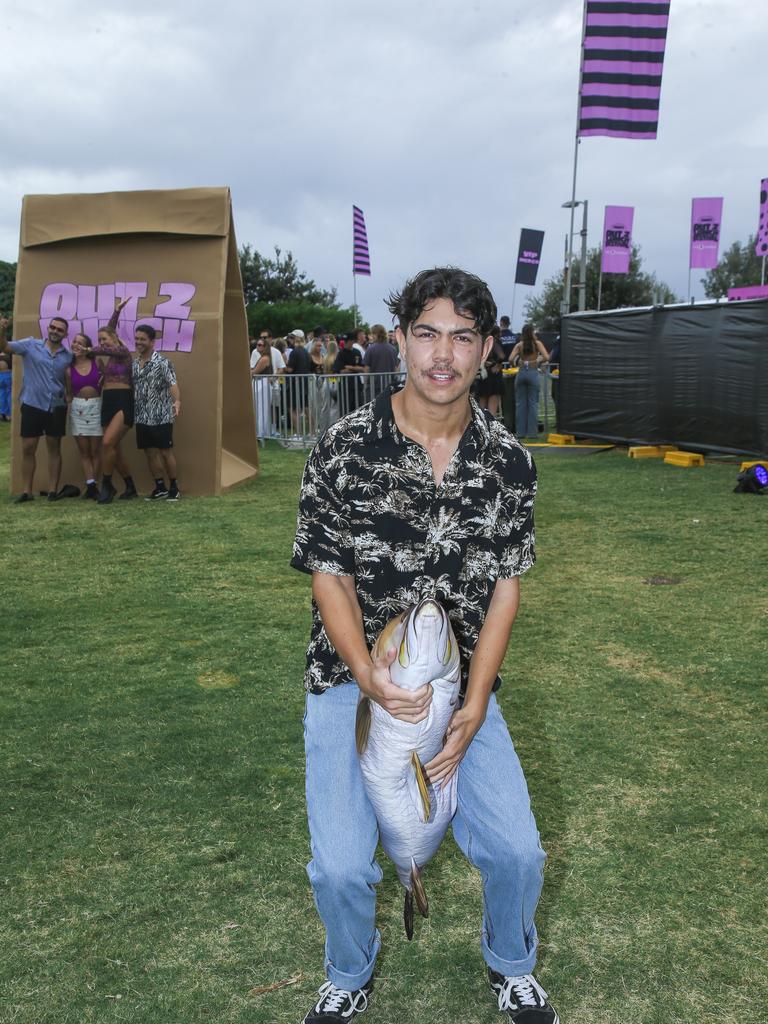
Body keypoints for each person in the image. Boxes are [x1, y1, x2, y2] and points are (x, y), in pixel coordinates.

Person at [292, 267, 557, 1024]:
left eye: (463, 337)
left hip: (456, 689)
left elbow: (507, 583)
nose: (443, 355)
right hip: (350, 683)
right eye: (428, 333)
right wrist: (369, 679)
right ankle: (349, 972)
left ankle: (512, 965)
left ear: (486, 350)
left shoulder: (510, 461)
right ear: (402, 339)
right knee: (341, 867)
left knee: (519, 854)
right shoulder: (344, 448)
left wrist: (473, 705)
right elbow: (329, 575)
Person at [0, 313, 73, 503]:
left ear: (65, 334)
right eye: (53, 327)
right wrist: (2, 330)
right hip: (32, 404)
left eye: (60, 329)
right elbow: (5, 347)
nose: (55, 331)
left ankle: (52, 491)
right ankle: (27, 491)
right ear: (48, 328)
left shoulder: (68, 356)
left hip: (56, 406)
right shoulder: (30, 345)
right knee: (28, 447)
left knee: (54, 447)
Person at [132, 324, 182, 500]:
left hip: (161, 415)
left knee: (165, 452)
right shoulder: (134, 364)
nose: (139, 342)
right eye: (137, 338)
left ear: (152, 342)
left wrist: (177, 401)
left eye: (142, 339)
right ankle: (160, 487)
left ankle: (174, 487)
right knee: (149, 452)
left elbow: (173, 384)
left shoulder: (163, 362)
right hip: (141, 416)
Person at [93, 315, 138, 503]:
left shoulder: (123, 352)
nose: (101, 343)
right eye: (99, 340)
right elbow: (110, 329)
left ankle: (107, 485)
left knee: (106, 443)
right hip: (108, 400)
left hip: (123, 400)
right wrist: (117, 310)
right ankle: (130, 487)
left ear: (114, 337)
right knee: (114, 450)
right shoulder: (111, 357)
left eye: (104, 339)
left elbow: (111, 335)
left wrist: (89, 349)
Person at [65, 333, 103, 499]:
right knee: (84, 451)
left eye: (81, 343)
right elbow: (68, 394)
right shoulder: (68, 369)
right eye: (74, 341)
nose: (76, 345)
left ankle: (93, 487)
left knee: (95, 450)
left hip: (96, 407)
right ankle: (90, 485)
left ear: (87, 347)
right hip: (78, 409)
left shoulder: (97, 363)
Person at [510, 324, 549, 441]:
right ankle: (532, 433)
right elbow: (547, 356)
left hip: (521, 373)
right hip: (532, 372)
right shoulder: (537, 344)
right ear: (532, 332)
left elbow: (510, 359)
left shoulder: (519, 345)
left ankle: (520, 432)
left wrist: (518, 363)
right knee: (533, 404)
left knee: (520, 404)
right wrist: (538, 360)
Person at [475, 324, 506, 418]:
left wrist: (484, 363)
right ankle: (489, 431)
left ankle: (481, 430)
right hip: (494, 377)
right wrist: (496, 364)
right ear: (497, 333)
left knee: (481, 410)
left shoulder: (482, 343)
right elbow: (501, 356)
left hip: (483, 376)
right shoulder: (495, 342)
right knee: (492, 412)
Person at [363, 323, 399, 400]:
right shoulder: (393, 349)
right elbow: (396, 368)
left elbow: (366, 368)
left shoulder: (371, 349)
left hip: (374, 385)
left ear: (376, 334)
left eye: (372, 333)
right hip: (390, 384)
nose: (371, 335)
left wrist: (365, 383)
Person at [285, 332, 311, 436]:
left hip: (295, 384)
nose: (290, 340)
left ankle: (299, 433)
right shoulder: (305, 351)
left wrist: (284, 365)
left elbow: (290, 369)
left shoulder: (295, 352)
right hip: (303, 383)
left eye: (291, 337)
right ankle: (312, 432)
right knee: (306, 408)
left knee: (292, 408)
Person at [333, 333, 365, 414]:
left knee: (358, 408)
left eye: (348, 341)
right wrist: (355, 369)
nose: (346, 343)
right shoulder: (341, 353)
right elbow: (340, 370)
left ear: (352, 341)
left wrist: (350, 367)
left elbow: (363, 368)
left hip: (357, 385)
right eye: (345, 341)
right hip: (345, 385)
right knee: (345, 409)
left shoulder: (357, 352)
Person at [0, 350, 11, 421]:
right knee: (8, 395)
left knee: (3, 395)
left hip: (3, 376)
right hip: (8, 375)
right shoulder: (9, 353)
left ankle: (3, 413)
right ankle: (8, 414)